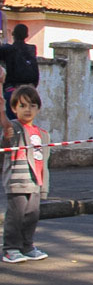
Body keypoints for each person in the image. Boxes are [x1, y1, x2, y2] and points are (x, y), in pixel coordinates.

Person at [2, 86, 50, 264]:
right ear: (14, 108)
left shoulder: (43, 134)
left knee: (31, 216)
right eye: (22, 105)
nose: (27, 109)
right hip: (17, 182)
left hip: (35, 182)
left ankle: (27, 246)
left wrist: (43, 187)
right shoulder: (14, 128)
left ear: (38, 108)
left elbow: (44, 162)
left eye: (32, 105)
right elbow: (6, 130)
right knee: (16, 216)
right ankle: (10, 248)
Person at [1, 24, 40, 121]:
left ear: (13, 35)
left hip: (12, 91)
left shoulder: (8, 50)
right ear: (26, 36)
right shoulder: (32, 49)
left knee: (13, 123)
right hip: (29, 92)